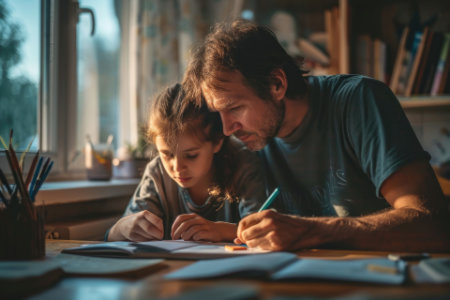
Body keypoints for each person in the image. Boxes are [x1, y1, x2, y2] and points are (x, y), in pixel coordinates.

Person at [182, 19, 450, 252]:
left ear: (277, 84)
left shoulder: (358, 102)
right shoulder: (247, 138)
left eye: (235, 108)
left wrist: (311, 231)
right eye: (219, 114)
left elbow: (431, 223)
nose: (228, 129)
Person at [107, 83, 266, 242]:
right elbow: (112, 238)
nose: (177, 168)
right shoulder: (157, 172)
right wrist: (120, 229)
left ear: (217, 142)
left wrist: (220, 230)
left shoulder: (243, 164)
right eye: (167, 154)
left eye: (191, 155)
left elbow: (262, 230)